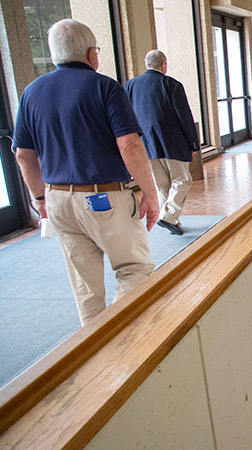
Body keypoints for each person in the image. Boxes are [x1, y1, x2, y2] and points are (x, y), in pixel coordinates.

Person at [13, 19, 158, 325]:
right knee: (135, 269)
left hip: (57, 200)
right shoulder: (104, 87)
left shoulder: (31, 93)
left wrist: (40, 199)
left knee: (85, 288)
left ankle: (94, 351)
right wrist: (150, 193)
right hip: (104, 198)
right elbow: (130, 146)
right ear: (92, 53)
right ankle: (121, 337)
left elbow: (24, 155)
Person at [125, 49, 199, 236]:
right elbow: (184, 116)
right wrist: (192, 143)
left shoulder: (131, 85)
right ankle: (167, 217)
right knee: (182, 179)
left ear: (146, 63)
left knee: (161, 184)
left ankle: (171, 219)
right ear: (164, 64)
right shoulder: (171, 84)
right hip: (171, 141)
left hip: (145, 143)